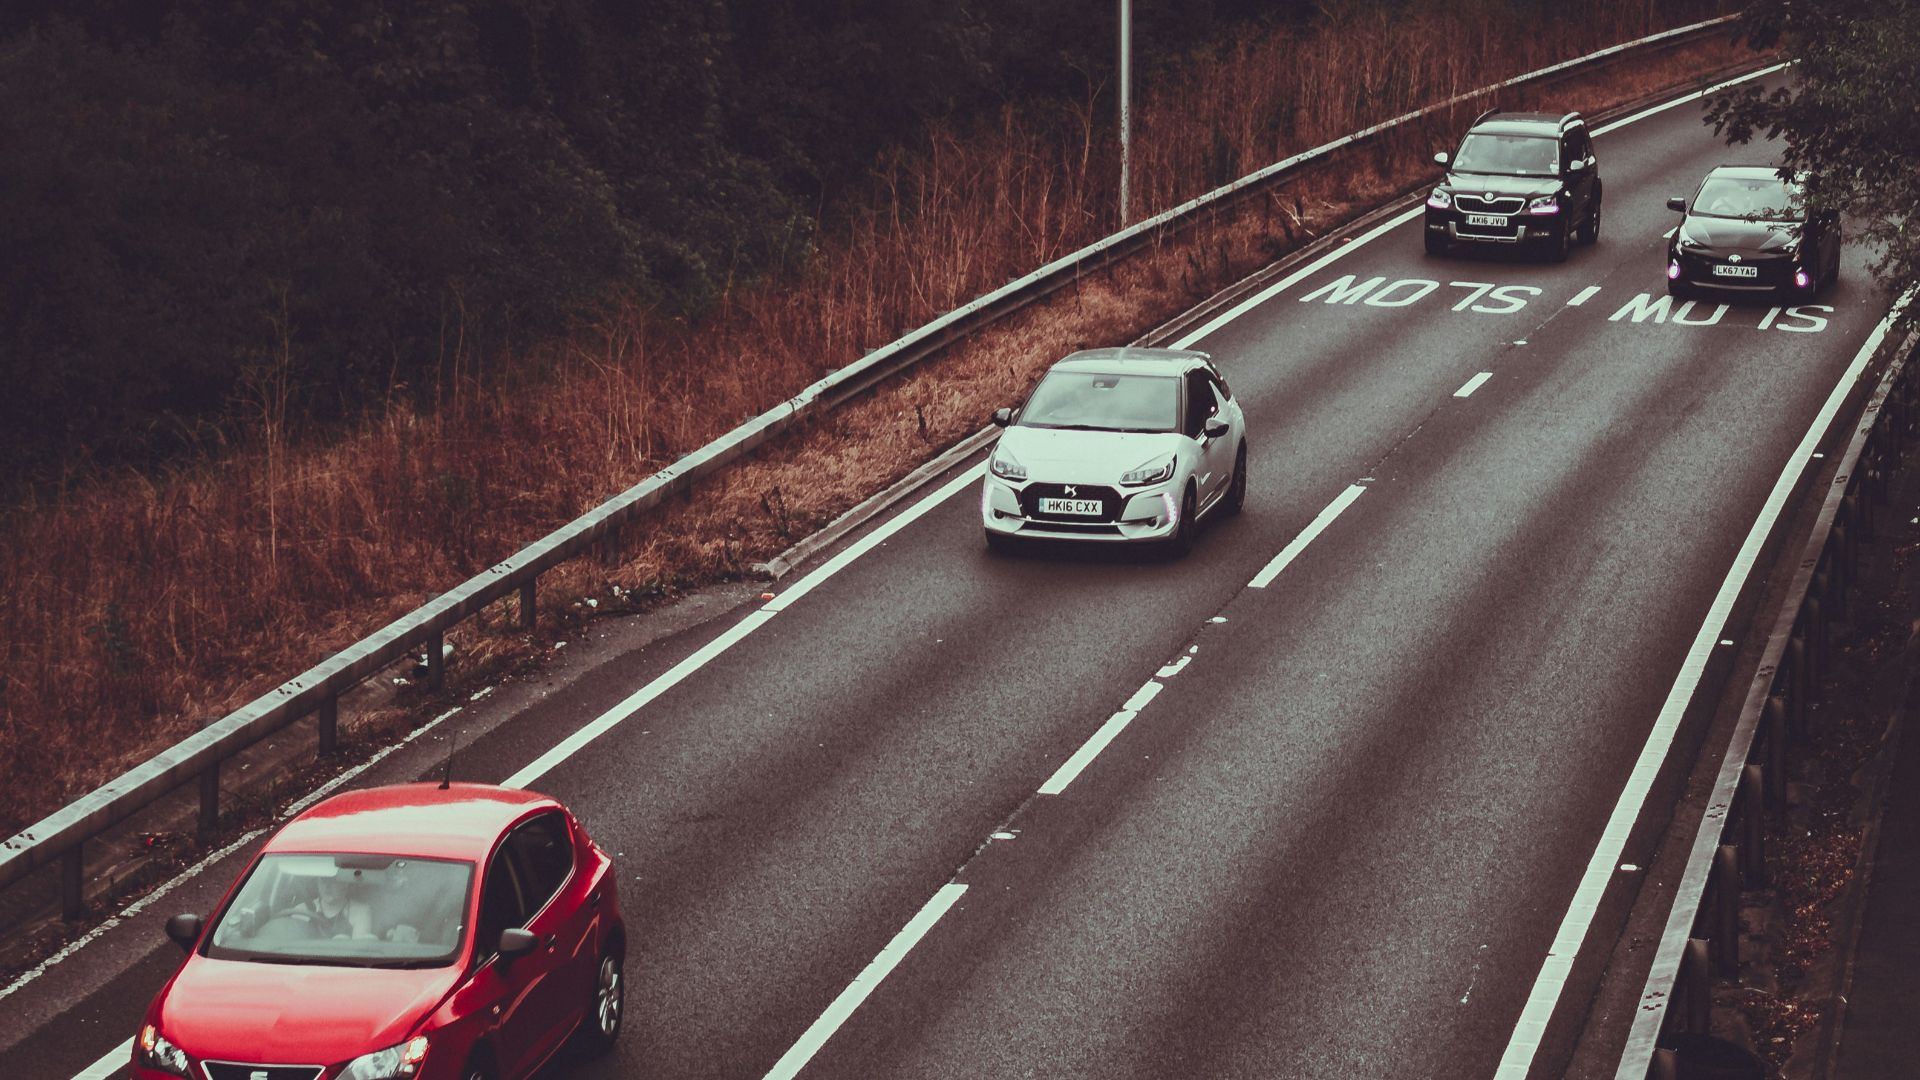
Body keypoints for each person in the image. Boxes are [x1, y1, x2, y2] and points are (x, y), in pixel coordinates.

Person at [295, 876, 375, 939]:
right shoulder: (302, 910)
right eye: (323, 880)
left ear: (345, 883)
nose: (327, 886)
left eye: (333, 881)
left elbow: (358, 950)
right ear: (318, 883)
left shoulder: (360, 912)